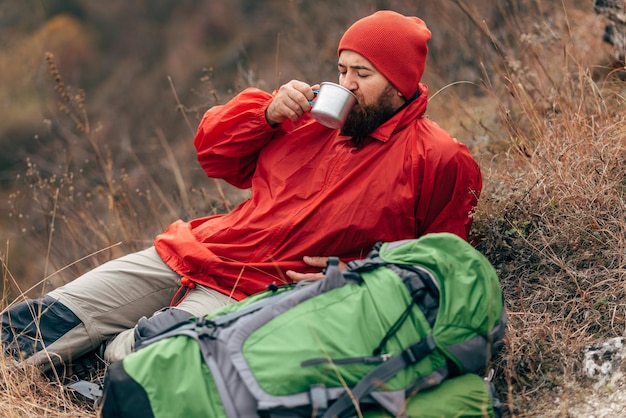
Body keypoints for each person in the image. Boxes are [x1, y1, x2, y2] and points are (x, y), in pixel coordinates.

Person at [1, 10, 482, 376]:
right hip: (197, 249)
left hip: (257, 288)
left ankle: (88, 377)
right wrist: (266, 114)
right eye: (342, 69)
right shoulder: (307, 115)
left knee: (134, 355)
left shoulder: (438, 158)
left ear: (400, 83)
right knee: (36, 322)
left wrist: (356, 274)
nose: (346, 85)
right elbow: (214, 155)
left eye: (363, 73)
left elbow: (442, 266)